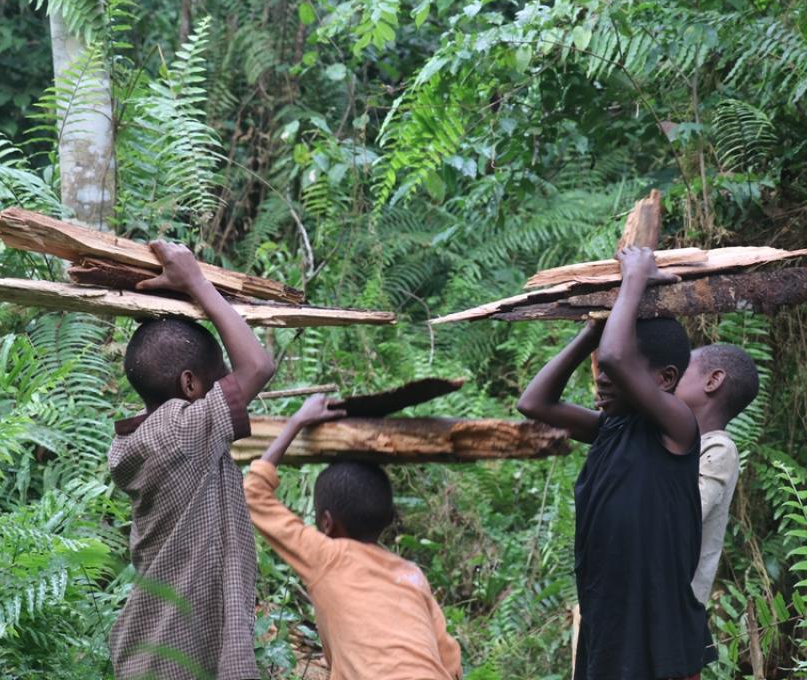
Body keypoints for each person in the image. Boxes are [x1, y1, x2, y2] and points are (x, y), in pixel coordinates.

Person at [517, 246, 714, 680]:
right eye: (601, 370)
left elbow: (614, 358)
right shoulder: (608, 428)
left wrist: (633, 280)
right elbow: (533, 402)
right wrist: (590, 332)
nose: (602, 377)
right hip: (609, 619)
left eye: (616, 375)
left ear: (664, 380)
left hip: (658, 631)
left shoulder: (677, 428)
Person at [108, 241, 276, 680]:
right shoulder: (182, 431)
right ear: (189, 385)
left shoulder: (150, 437)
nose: (231, 381)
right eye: (221, 374)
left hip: (152, 653)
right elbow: (258, 366)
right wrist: (196, 282)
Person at [243, 394, 463, 680]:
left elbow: (254, 493)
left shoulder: (329, 557)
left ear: (326, 523)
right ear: (388, 520)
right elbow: (451, 662)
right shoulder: (412, 576)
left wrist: (297, 422)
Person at [674, 344, 759, 605]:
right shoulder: (677, 441)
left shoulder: (719, 449)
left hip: (675, 607)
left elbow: (678, 519)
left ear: (713, 380)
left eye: (681, 369)